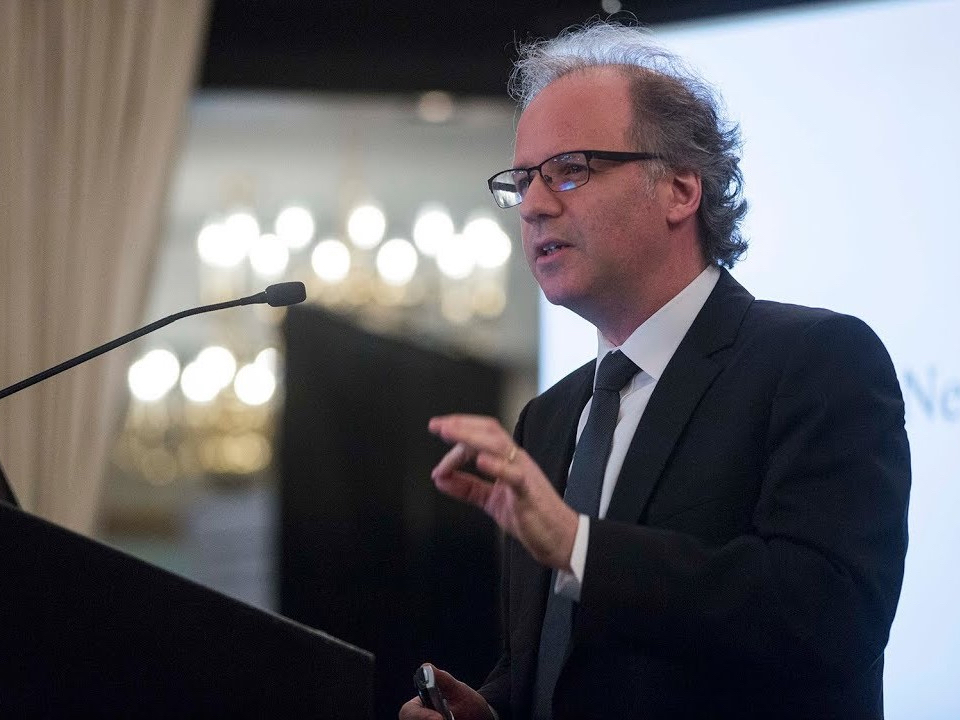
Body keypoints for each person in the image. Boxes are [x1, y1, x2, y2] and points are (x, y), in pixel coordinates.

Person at [400, 20, 910, 720]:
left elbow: (828, 617)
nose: (537, 205)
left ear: (679, 188)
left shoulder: (816, 362)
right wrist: (493, 709)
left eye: (571, 169)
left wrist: (581, 546)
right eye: (522, 181)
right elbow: (556, 666)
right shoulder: (545, 421)